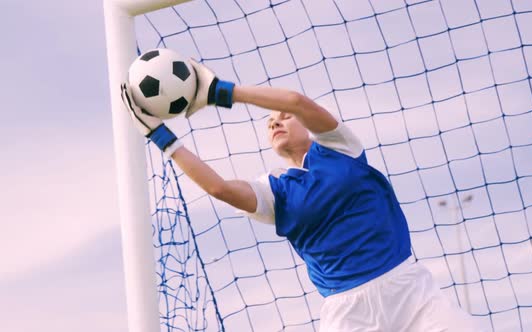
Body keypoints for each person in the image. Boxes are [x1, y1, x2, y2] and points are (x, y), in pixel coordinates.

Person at [120, 59, 485, 332]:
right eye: (269, 123)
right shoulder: (276, 193)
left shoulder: (340, 147)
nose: (276, 122)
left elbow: (295, 100)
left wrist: (219, 92)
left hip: (410, 292)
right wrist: (161, 137)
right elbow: (219, 188)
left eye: (283, 118)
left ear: (306, 127)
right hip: (347, 313)